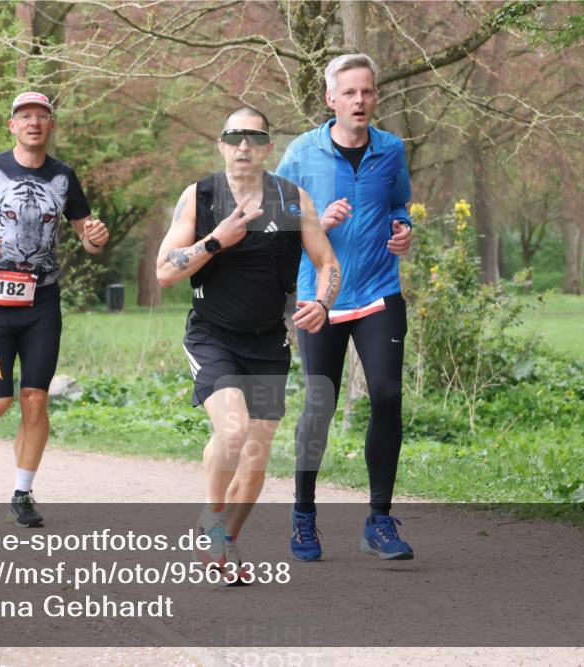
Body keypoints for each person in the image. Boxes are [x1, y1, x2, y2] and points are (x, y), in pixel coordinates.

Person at [156, 106, 340, 582]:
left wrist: (321, 303)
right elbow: (164, 271)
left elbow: (327, 262)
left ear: (266, 147)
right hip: (212, 335)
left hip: (268, 342)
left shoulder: (293, 199)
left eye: (254, 139)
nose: (243, 147)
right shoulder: (199, 197)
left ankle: (224, 543)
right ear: (221, 144)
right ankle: (210, 521)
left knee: (256, 457)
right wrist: (217, 239)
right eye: (235, 138)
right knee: (233, 431)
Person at [0, 91, 109, 528]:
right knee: (0, 404)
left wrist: (96, 236)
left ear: (51, 125)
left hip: (43, 301)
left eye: (42, 116)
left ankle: (23, 492)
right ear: (12, 125)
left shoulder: (64, 176)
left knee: (35, 399)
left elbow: (87, 237)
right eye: (25, 116)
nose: (34, 122)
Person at [276, 54, 414, 561]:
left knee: (387, 392)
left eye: (368, 92)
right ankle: (304, 516)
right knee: (320, 403)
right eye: (350, 92)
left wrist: (404, 232)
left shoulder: (392, 150)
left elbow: (400, 205)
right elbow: (275, 219)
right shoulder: (301, 153)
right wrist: (318, 225)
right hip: (320, 297)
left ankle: (379, 520)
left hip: (380, 292)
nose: (360, 100)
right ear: (331, 99)